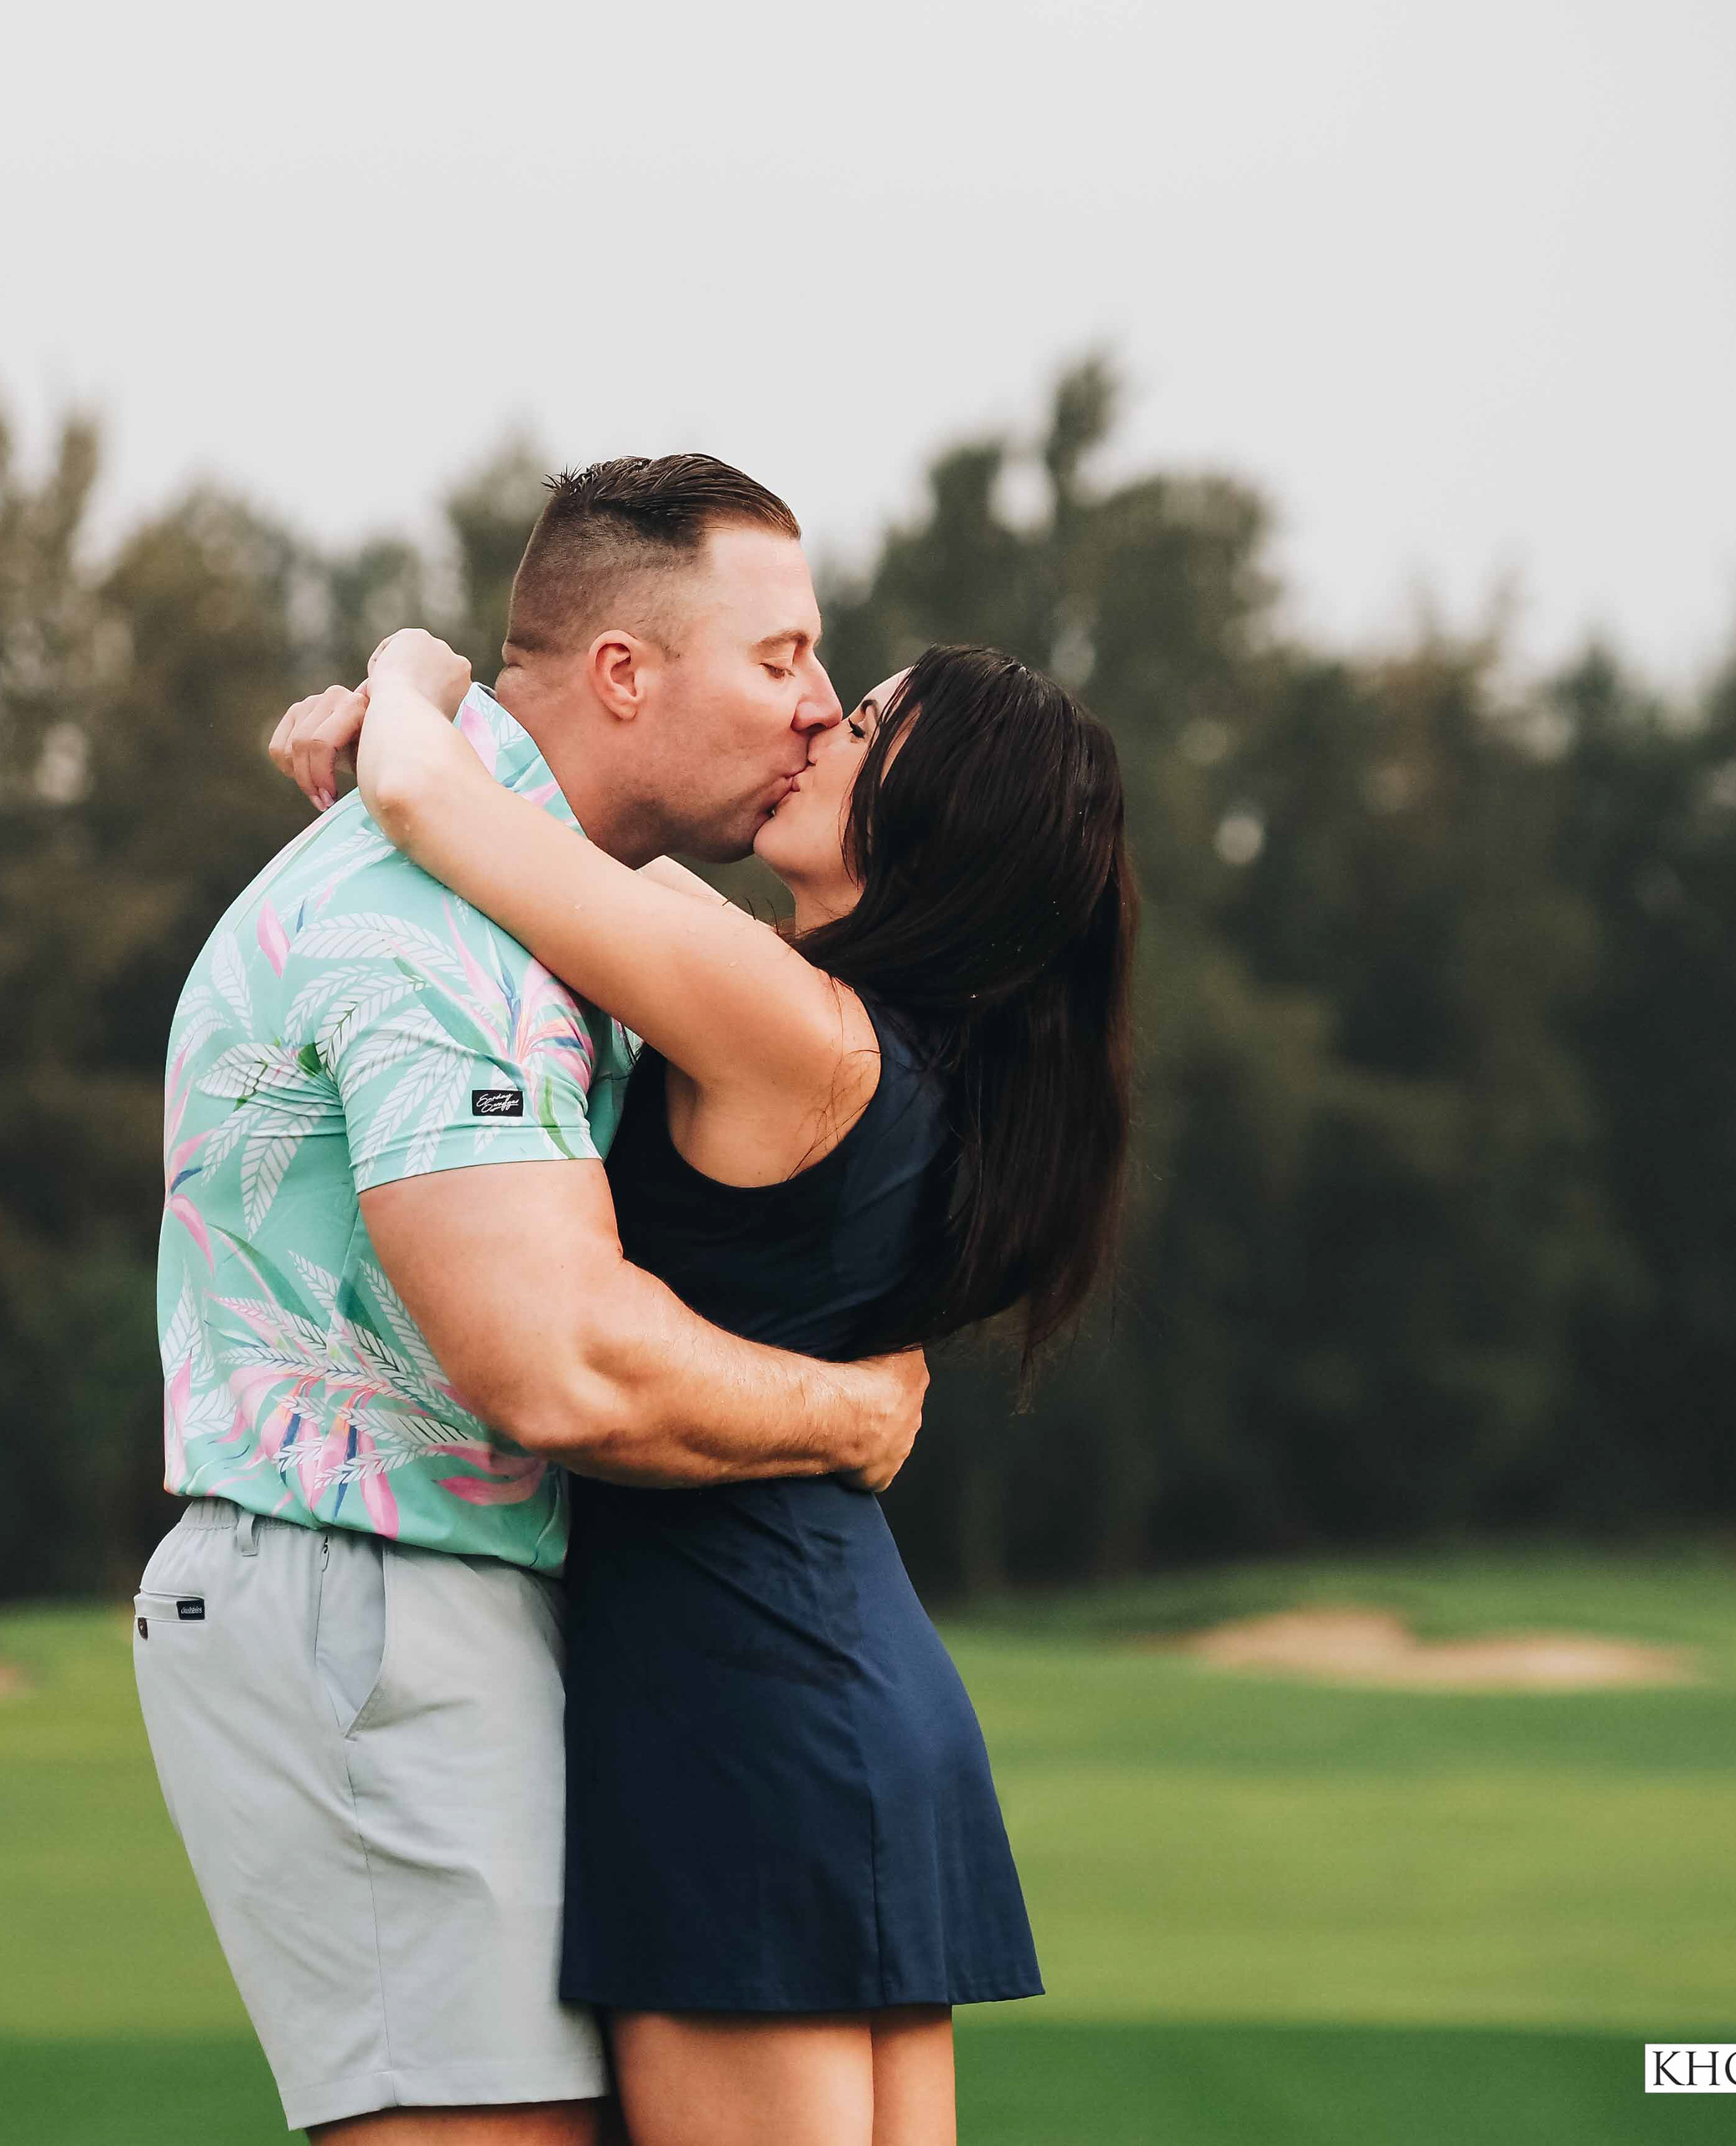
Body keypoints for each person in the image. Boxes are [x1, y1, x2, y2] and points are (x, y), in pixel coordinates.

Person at [136, 455, 935, 2143]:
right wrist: (854, 1407)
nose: (814, 709)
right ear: (627, 675)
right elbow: (557, 1362)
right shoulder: (432, 930)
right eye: (782, 657)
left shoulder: (530, 902)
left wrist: (409, 673)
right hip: (376, 1605)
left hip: (456, 1604)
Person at [265, 609, 1136, 2146]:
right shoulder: (923, 1068)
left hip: (737, 1697)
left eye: (859, 724)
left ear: (923, 824)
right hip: (842, 1671)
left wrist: (404, 666)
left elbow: (431, 802)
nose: (813, 727)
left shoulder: (786, 1021)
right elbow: (533, 853)